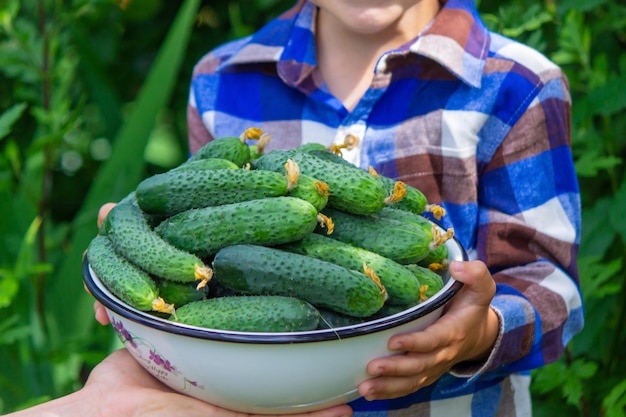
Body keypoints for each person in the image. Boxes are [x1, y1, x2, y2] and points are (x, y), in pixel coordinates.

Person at [9, 0, 582, 415]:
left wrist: (478, 332)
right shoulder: (222, 81)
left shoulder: (517, 85)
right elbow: (208, 243)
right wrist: (141, 266)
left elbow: (552, 285)